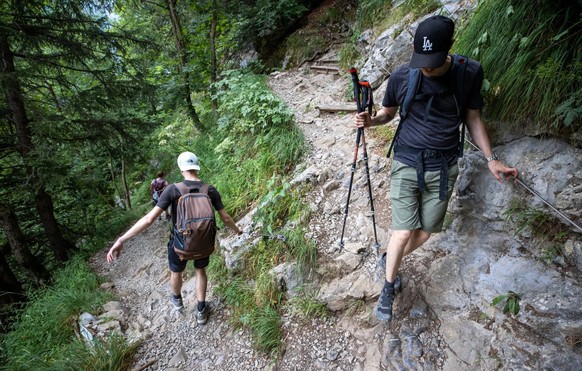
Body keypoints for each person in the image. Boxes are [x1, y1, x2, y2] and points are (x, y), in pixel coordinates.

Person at [354, 15, 518, 322]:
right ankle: (388, 286)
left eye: (433, 60)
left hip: (443, 166)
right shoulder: (404, 75)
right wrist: (371, 120)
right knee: (403, 231)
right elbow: (388, 114)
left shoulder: (468, 73)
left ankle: (388, 258)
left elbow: (472, 118)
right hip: (407, 161)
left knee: (426, 232)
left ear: (450, 48)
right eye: (422, 59)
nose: (426, 67)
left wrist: (491, 158)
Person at [107, 152, 243, 325]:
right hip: (203, 242)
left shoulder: (173, 189)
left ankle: (177, 300)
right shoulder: (209, 189)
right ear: (197, 166)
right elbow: (226, 218)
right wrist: (237, 230)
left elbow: (149, 220)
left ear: (181, 168)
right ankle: (201, 311)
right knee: (200, 271)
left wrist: (121, 239)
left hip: (179, 245)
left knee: (176, 272)